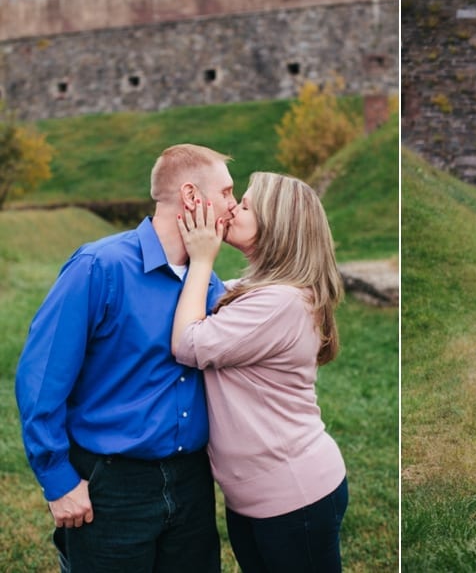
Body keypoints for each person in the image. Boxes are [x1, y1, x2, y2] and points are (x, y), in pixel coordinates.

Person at [15, 144, 238, 571]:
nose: (233, 204)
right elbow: (41, 377)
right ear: (192, 198)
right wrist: (57, 479)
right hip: (110, 485)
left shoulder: (208, 281)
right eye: (226, 193)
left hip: (191, 481)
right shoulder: (99, 267)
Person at [171, 171, 348, 573]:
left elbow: (188, 343)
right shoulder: (259, 289)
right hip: (259, 495)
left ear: (277, 227)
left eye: (246, 205)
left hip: (293, 495)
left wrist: (201, 259)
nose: (233, 207)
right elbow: (203, 298)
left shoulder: (280, 302)